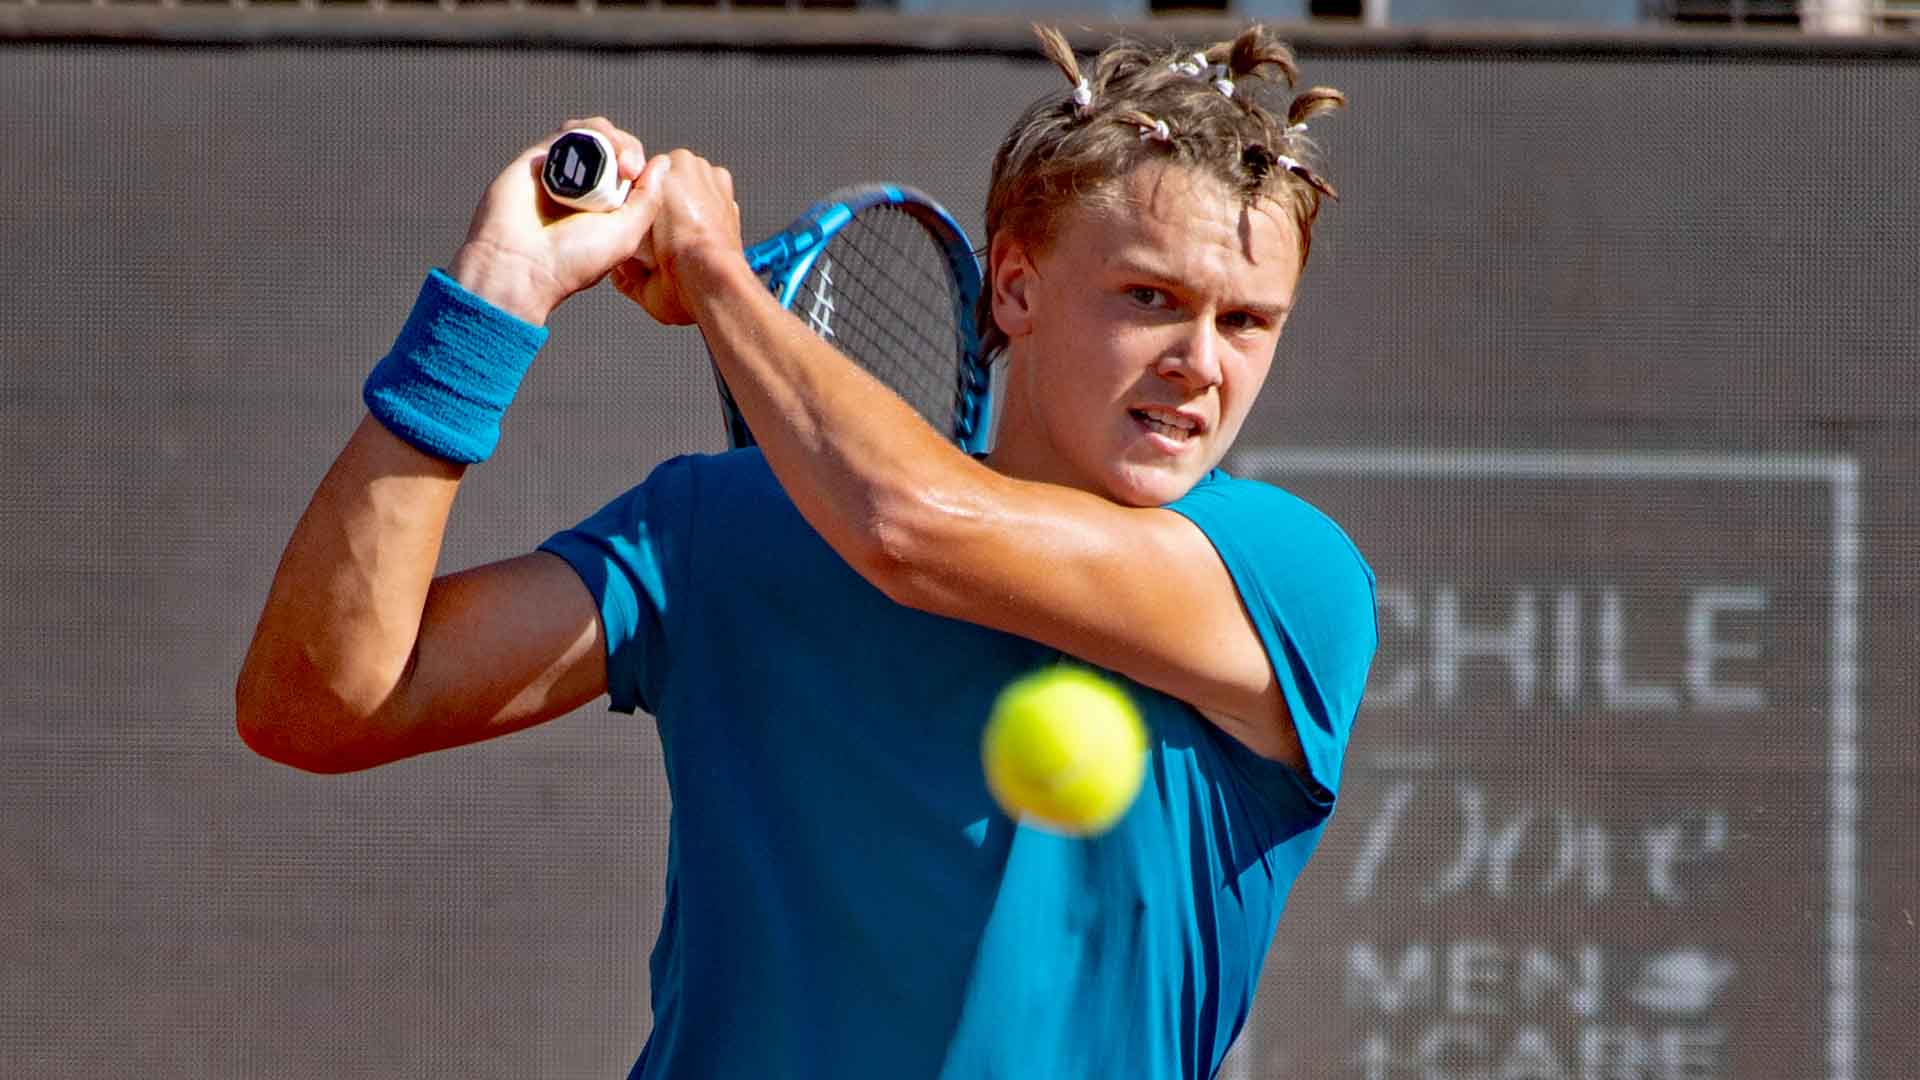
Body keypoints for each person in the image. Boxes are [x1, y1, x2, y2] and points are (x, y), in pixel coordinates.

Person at [236, 24, 1376, 1080]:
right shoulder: (726, 528)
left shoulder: (1289, 580)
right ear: (1016, 284)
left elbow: (910, 529)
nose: (1201, 362)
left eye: (1247, 320)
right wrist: (494, 299)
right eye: (1151, 297)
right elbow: (318, 705)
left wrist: (716, 274)